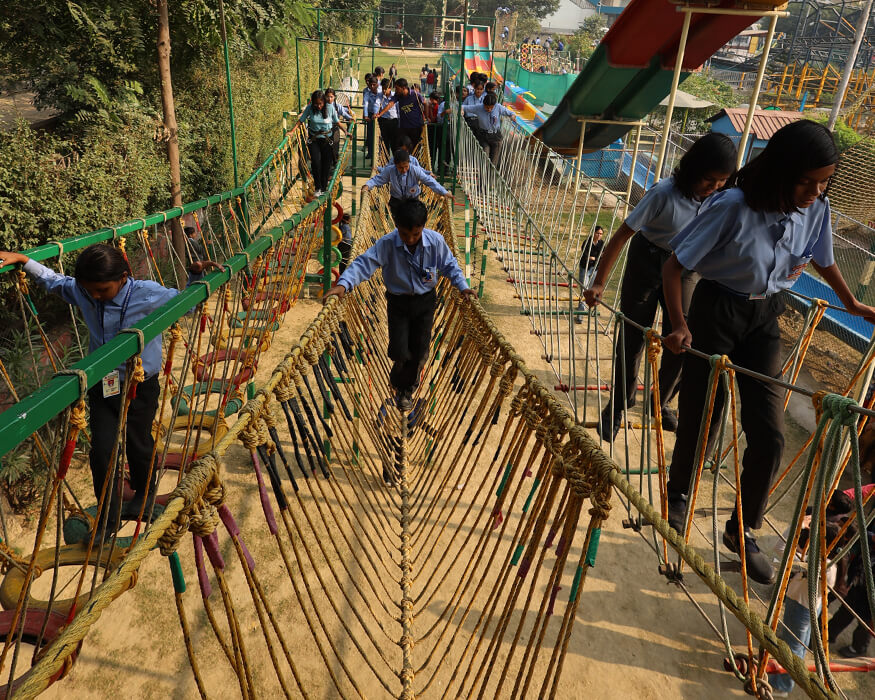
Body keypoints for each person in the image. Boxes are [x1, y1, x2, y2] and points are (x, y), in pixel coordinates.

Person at [662, 120, 875, 585]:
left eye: (823, 182)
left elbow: (823, 259)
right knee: (702, 415)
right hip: (716, 310)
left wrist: (852, 303)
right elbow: (675, 266)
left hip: (765, 319)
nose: (813, 191)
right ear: (779, 171)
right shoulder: (733, 207)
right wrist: (679, 325)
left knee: (770, 433)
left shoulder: (817, 208)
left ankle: (743, 529)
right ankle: (678, 495)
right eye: (804, 181)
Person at [0, 244, 219, 540]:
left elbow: (187, 304)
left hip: (140, 384)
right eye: (90, 291)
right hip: (104, 384)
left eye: (102, 290)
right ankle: (108, 515)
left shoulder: (148, 293)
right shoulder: (84, 290)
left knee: (138, 442)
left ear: (124, 277)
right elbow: (55, 281)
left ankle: (144, 492)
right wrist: (25, 261)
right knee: (102, 451)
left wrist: (194, 276)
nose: (95, 296)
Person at [584, 133, 737, 442]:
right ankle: (618, 404)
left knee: (682, 338)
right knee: (633, 335)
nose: (715, 187)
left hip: (685, 268)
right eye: (710, 179)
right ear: (693, 168)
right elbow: (621, 236)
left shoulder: (720, 200)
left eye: (722, 181)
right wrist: (599, 282)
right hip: (648, 259)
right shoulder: (663, 194)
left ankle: (662, 400)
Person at [322, 199, 475, 417]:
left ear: (423, 226)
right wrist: (343, 284)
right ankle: (399, 376)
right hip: (398, 303)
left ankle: (405, 391)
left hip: (425, 301)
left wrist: (463, 287)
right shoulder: (388, 244)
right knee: (399, 350)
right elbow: (364, 263)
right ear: (396, 226)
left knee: (420, 352)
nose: (410, 239)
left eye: (416, 234)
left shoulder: (436, 242)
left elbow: (450, 265)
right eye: (405, 234)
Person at [361, 148, 450, 223]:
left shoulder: (415, 170)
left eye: (406, 166)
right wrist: (367, 185)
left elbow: (429, 181)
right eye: (400, 168)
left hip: (412, 201)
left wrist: (444, 192)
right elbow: (378, 179)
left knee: (413, 222)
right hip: (397, 201)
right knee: (399, 224)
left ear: (409, 163)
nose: (404, 170)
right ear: (395, 165)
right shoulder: (390, 170)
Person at [298, 89, 345, 195]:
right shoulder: (310, 108)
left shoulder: (330, 108)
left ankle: (324, 188)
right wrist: (291, 132)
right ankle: (318, 187)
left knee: (326, 164)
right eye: (316, 104)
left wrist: (346, 132)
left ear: (324, 102)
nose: (318, 106)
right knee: (316, 162)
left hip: (327, 140)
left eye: (320, 104)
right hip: (314, 139)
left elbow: (337, 121)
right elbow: (301, 120)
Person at [461, 93, 516, 164]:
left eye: (491, 108)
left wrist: (512, 117)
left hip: (496, 136)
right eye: (487, 107)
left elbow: (511, 113)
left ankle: (491, 173)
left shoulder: (498, 107)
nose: (489, 109)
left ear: (494, 105)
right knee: (484, 156)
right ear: (483, 104)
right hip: (484, 135)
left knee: (494, 160)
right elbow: (463, 107)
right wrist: (462, 110)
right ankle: (483, 173)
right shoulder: (478, 108)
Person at [374, 78, 427, 149]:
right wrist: (380, 114)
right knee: (401, 147)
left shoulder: (416, 95)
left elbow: (425, 103)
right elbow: (390, 104)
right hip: (403, 128)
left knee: (415, 148)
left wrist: (425, 116)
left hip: (415, 127)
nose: (395, 90)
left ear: (403, 88)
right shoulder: (397, 95)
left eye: (397, 88)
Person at [576, 226, 604, 303]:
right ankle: (581, 310)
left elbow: (602, 255)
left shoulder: (601, 244)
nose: (599, 235)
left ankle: (588, 305)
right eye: (597, 233)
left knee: (591, 289)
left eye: (601, 234)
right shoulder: (587, 242)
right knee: (584, 289)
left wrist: (594, 257)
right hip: (585, 268)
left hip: (595, 269)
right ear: (594, 233)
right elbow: (586, 256)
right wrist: (596, 257)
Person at [325, 88, 353, 161]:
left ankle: (335, 162)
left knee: (335, 145)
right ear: (325, 97)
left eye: (331, 97)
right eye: (327, 97)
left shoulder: (338, 106)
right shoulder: (322, 106)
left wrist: (350, 118)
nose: (329, 99)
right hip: (325, 129)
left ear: (334, 97)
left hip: (335, 128)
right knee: (326, 146)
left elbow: (344, 114)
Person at [378, 78, 399, 154]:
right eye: (383, 88)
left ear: (390, 88)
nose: (384, 91)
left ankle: (395, 161)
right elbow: (376, 105)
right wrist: (376, 112)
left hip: (394, 121)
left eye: (385, 89)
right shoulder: (379, 96)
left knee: (394, 142)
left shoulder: (395, 96)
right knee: (384, 142)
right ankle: (386, 162)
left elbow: (398, 109)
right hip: (383, 121)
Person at [362, 77, 382, 160]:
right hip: (370, 116)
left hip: (380, 114)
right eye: (371, 85)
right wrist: (366, 115)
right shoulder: (367, 93)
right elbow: (365, 104)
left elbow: (377, 104)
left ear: (377, 84)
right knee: (370, 135)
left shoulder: (381, 92)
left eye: (374, 84)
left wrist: (376, 114)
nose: (373, 86)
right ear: (369, 85)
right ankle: (370, 153)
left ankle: (380, 154)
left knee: (380, 135)